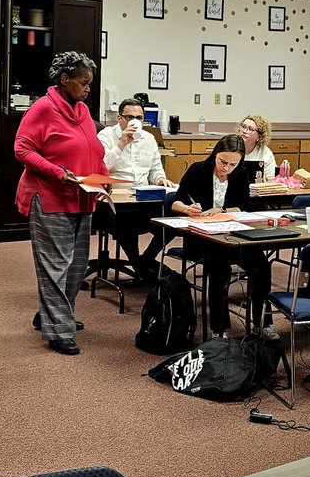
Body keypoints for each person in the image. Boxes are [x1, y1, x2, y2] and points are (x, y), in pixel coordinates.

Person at [15, 51, 107, 356]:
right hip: (50, 197)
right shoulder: (42, 109)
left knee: (77, 267)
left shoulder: (82, 111)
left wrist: (104, 180)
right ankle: (59, 330)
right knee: (55, 266)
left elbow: (94, 152)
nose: (88, 88)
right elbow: (23, 149)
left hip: (83, 198)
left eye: (90, 84)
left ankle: (51, 314)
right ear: (64, 79)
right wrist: (58, 173)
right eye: (83, 82)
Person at [171, 135, 278, 340]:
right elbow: (175, 202)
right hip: (202, 240)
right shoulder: (198, 170)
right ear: (215, 154)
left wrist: (221, 209)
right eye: (223, 162)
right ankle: (219, 328)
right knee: (220, 266)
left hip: (233, 236)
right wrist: (187, 209)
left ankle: (262, 322)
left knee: (262, 264)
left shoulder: (240, 174)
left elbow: (244, 206)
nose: (226, 168)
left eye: (232, 164)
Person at [96, 98, 175, 279]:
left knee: (173, 217)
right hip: (114, 200)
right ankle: (139, 267)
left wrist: (161, 179)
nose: (135, 121)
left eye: (139, 118)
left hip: (143, 197)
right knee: (127, 221)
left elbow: (156, 169)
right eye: (130, 117)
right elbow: (100, 167)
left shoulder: (149, 139)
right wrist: (122, 143)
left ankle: (145, 259)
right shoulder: (106, 136)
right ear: (119, 118)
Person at [237, 113, 276, 181]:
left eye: (250, 129)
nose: (244, 131)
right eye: (243, 126)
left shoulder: (265, 152)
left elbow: (271, 179)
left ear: (260, 136)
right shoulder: (230, 146)